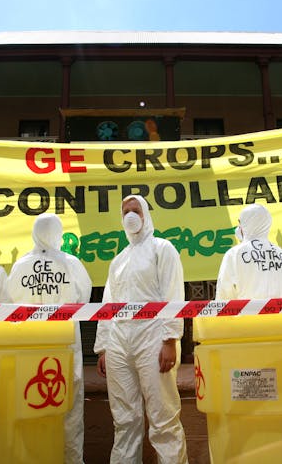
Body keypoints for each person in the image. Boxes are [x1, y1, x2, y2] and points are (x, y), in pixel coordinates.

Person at [93, 195, 188, 464]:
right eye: (125, 211)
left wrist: (170, 338)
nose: (130, 215)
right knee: (124, 420)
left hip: (154, 338)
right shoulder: (118, 260)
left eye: (135, 210)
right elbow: (108, 305)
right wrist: (103, 348)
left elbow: (173, 294)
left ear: (145, 214)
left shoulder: (162, 248)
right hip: (119, 344)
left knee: (163, 418)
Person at [7, 213, 92, 464]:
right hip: (66, 346)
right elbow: (83, 299)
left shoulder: (21, 265)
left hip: (30, 348)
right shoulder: (71, 263)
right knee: (70, 410)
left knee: (32, 406)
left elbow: (11, 301)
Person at [215, 203, 282, 300]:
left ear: (246, 224)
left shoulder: (234, 254)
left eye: (240, 223)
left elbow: (224, 294)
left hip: (247, 313)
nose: (239, 228)